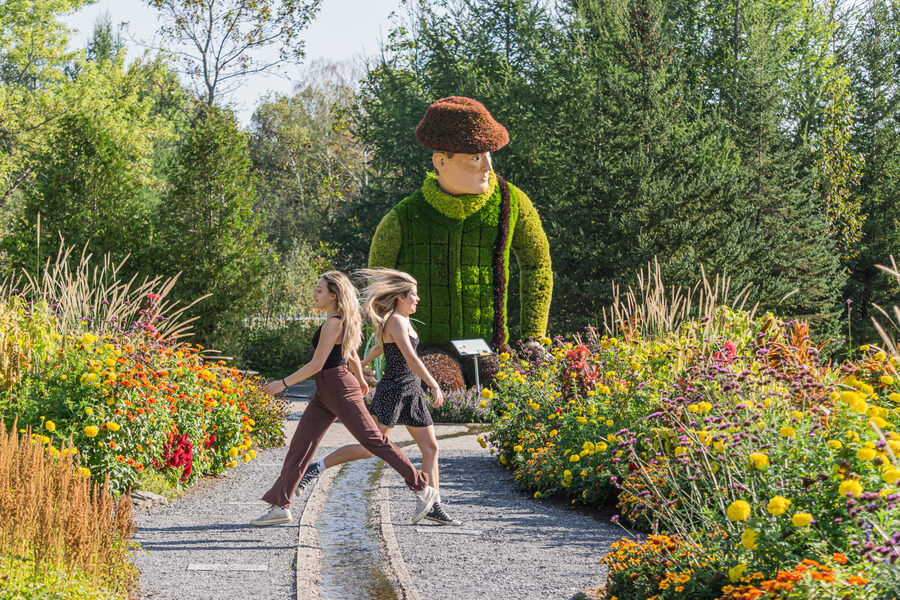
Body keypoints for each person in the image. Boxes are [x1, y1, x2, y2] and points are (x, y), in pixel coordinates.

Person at [250, 271, 438, 527]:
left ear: (333, 295)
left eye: (319, 290)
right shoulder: (337, 320)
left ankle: (421, 486)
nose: (315, 294)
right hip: (326, 391)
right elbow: (350, 352)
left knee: (374, 441)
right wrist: (360, 379)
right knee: (300, 446)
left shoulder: (334, 322)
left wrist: (282, 384)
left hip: (338, 388)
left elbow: (317, 364)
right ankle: (280, 506)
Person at [292, 268, 462, 526]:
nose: (417, 299)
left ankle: (432, 504)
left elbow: (382, 346)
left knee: (431, 448)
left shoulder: (404, 321)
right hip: (394, 390)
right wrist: (434, 384)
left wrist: (361, 363)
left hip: (411, 392)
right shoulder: (395, 320)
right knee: (368, 449)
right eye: (414, 295)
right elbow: (411, 358)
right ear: (401, 297)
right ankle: (316, 469)